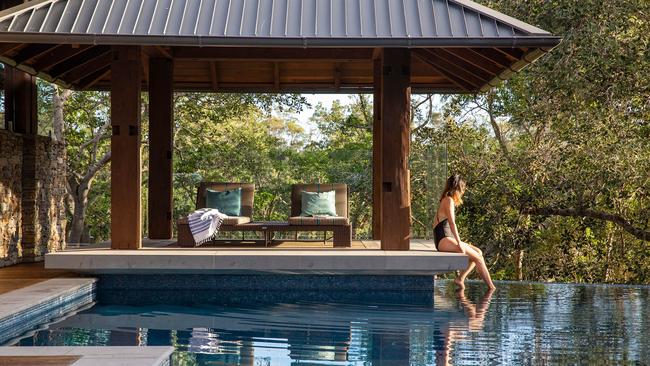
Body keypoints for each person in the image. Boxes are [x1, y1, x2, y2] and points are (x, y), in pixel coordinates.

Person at [433, 175, 496, 290]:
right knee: (478, 258)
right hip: (443, 239)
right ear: (458, 188)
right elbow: (452, 224)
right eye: (463, 188)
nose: (463, 191)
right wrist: (459, 243)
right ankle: (491, 288)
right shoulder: (448, 200)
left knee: (478, 252)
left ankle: (460, 279)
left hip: (446, 238)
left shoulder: (447, 199)